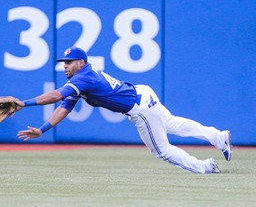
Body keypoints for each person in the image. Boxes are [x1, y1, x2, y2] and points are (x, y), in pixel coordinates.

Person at [16, 47, 232, 174]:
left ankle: (204, 167)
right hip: (142, 93)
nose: (65, 66)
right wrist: (43, 130)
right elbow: (64, 107)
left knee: (162, 150)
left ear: (81, 62)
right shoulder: (82, 78)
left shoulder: (83, 77)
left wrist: (24, 103)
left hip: (139, 108)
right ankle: (217, 136)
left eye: (69, 62)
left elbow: (56, 96)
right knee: (172, 123)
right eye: (64, 63)